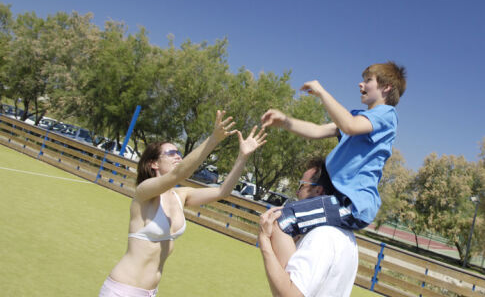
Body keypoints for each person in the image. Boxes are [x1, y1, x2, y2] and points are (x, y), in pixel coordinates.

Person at [99, 110, 267, 297]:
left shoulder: (182, 195)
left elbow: (222, 191)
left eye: (178, 152)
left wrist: (243, 156)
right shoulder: (144, 192)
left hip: (149, 292)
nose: (178, 156)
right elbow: (179, 174)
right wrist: (213, 139)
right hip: (123, 290)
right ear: (154, 164)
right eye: (171, 153)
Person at [261, 61, 406, 266]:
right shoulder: (357, 115)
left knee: (284, 220)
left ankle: (292, 287)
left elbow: (349, 126)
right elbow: (317, 131)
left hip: (353, 204)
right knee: (288, 223)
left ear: (386, 87)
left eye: (367, 80)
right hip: (336, 198)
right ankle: (296, 280)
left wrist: (321, 92)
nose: (360, 84)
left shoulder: (387, 115)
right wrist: (285, 121)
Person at [259, 158, 359, 297]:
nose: (297, 192)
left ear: (318, 191)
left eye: (301, 186)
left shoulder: (322, 237)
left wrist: (264, 241)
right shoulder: (347, 236)